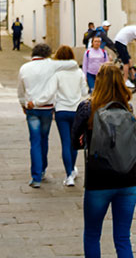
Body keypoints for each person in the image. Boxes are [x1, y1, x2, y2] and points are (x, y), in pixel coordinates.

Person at [71, 64, 136, 257]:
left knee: (93, 234)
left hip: (98, 181)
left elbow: (74, 142)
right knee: (123, 238)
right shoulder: (127, 107)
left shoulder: (87, 107)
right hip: (128, 179)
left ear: (98, 80)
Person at [17, 42, 70, 188]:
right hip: (47, 108)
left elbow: (20, 90)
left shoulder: (25, 68)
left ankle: (36, 176)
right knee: (44, 138)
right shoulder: (52, 67)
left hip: (31, 108)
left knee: (35, 141)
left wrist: (23, 104)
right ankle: (43, 169)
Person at [50, 46, 89, 186]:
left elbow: (53, 92)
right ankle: (72, 169)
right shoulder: (78, 72)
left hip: (61, 110)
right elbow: (85, 91)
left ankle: (69, 175)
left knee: (65, 143)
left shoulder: (57, 73)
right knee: (74, 143)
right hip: (77, 110)